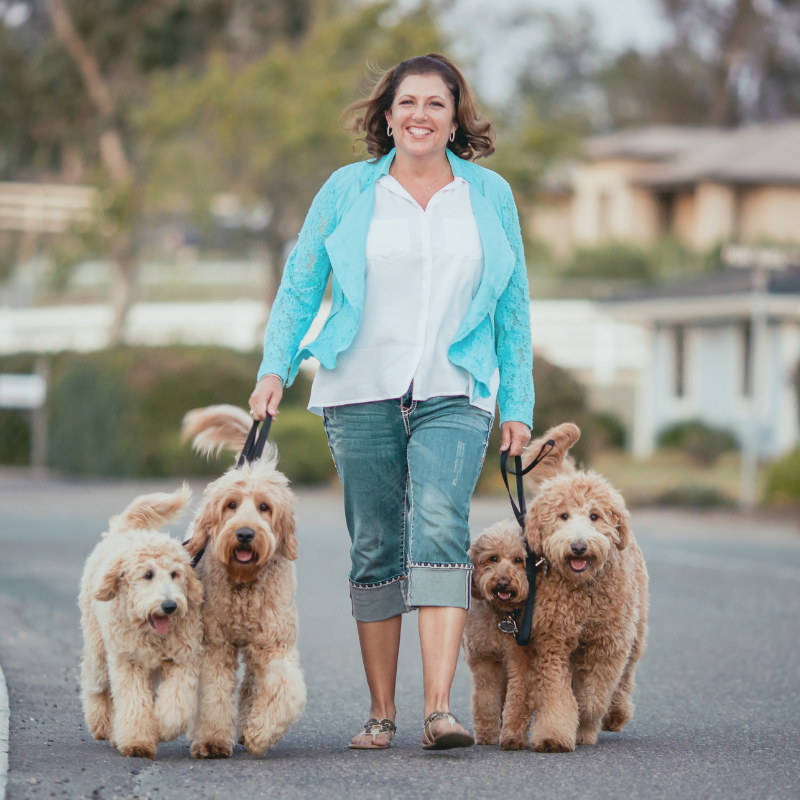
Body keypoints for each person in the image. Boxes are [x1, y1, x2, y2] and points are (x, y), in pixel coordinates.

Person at [249, 54, 534, 751]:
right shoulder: (349, 190)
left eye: (436, 104)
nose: (420, 115)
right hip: (359, 386)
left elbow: (513, 305)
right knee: (375, 542)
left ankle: (438, 711)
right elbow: (300, 284)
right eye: (408, 102)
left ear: (455, 119)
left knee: (440, 524)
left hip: (456, 387)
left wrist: (517, 403)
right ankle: (381, 712)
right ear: (387, 114)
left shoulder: (488, 195)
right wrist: (274, 368)